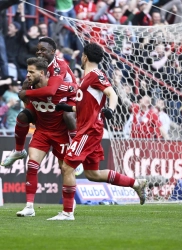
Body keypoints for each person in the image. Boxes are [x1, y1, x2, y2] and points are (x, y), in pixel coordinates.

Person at [47, 43, 147, 221]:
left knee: (67, 167)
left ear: (84, 57)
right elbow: (84, 108)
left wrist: (111, 109)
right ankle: (136, 184)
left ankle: (68, 213)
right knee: (93, 174)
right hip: (86, 128)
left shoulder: (96, 75)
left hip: (89, 130)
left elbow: (112, 94)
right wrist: (65, 107)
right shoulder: (85, 79)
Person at [1, 37, 77, 167]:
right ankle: (19, 151)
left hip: (67, 95)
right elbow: (26, 86)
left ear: (53, 51)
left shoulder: (60, 65)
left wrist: (26, 93)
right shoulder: (37, 64)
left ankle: (75, 151)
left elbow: (51, 90)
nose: (39, 52)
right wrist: (31, 111)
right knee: (23, 115)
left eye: (43, 50)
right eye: (38, 50)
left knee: (68, 115)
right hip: (46, 95)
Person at [15, 57, 76, 217]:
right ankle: (29, 207)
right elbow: (27, 105)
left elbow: (80, 93)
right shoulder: (28, 86)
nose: (27, 75)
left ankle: (69, 206)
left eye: (31, 72)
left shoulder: (60, 87)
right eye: (27, 71)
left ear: (42, 73)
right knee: (32, 165)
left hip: (61, 134)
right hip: (42, 132)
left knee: (65, 170)